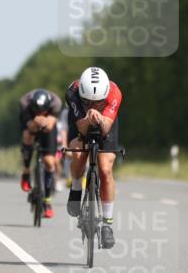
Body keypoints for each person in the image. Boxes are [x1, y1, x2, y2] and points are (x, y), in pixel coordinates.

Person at [65, 66, 122, 249]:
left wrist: (100, 117)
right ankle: (75, 188)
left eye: (97, 102)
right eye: (87, 101)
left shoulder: (114, 93)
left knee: (105, 169)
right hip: (80, 121)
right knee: (79, 155)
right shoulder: (72, 92)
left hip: (107, 122)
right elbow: (81, 129)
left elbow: (105, 129)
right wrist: (88, 117)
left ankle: (107, 224)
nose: (92, 105)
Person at [18, 88, 63, 218]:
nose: (41, 113)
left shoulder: (56, 103)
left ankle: (47, 201)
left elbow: (50, 126)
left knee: (49, 162)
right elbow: (30, 126)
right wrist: (35, 122)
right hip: (30, 122)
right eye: (38, 111)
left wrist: (46, 121)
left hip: (49, 126)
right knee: (27, 136)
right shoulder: (24, 103)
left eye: (43, 111)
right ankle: (26, 171)